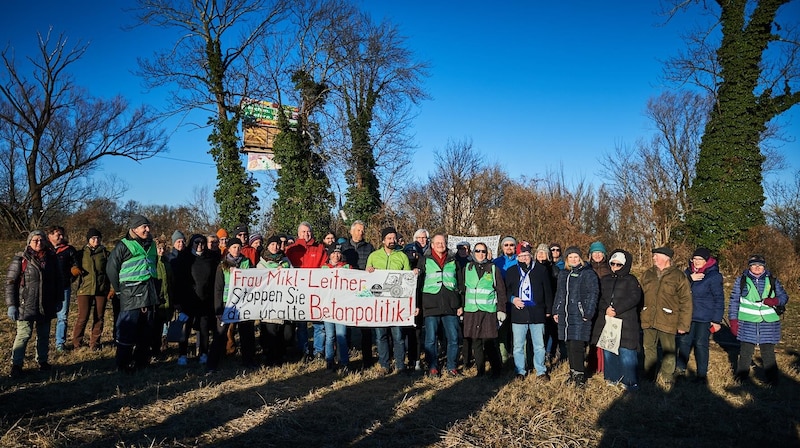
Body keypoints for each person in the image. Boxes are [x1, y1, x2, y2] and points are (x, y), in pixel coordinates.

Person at [106, 214, 160, 372]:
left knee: (146, 331)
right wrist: (118, 290)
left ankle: (141, 362)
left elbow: (153, 264)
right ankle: (123, 364)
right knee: (128, 330)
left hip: (149, 293)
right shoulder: (123, 245)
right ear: (134, 229)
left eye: (148, 226)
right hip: (131, 294)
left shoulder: (152, 245)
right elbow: (111, 268)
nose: (148, 229)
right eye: (144, 226)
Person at [729, 254, 789, 386]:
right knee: (745, 352)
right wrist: (733, 320)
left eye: (760, 265)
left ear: (764, 267)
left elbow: (784, 297)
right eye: (754, 265)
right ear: (749, 266)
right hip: (747, 322)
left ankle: (772, 381)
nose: (757, 267)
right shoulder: (741, 280)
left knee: (768, 353)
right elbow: (734, 301)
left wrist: (776, 300)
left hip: (768, 323)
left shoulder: (773, 280)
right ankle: (741, 379)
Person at [6, 231, 60, 377]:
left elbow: (58, 281)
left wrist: (59, 300)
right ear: (29, 242)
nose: (38, 243)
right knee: (23, 334)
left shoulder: (51, 259)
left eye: (41, 240)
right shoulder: (21, 259)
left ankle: (42, 361)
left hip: (46, 304)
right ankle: (16, 364)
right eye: (35, 240)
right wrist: (11, 305)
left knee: (44, 335)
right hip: (25, 304)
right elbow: (10, 283)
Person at [639, 246, 692, 386]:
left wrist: (683, 324)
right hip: (648, 318)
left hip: (668, 319)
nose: (653, 258)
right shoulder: (647, 274)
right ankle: (649, 375)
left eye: (656, 255)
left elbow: (686, 301)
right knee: (648, 347)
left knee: (669, 349)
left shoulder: (679, 276)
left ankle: (667, 376)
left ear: (666, 258)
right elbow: (639, 295)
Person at [592, 249, 642, 391]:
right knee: (609, 350)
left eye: (618, 264)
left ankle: (630, 381)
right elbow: (599, 298)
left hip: (626, 321)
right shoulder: (605, 280)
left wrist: (617, 309)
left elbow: (634, 298)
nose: (614, 267)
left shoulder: (631, 280)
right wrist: (606, 309)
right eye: (612, 263)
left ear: (625, 265)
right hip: (608, 321)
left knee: (627, 352)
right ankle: (612, 378)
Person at [366, 227, 412, 374]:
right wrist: (369, 271)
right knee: (381, 335)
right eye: (389, 238)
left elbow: (408, 280)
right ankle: (384, 365)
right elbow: (367, 278)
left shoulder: (402, 256)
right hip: (379, 304)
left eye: (394, 238)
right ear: (383, 240)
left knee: (398, 336)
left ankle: (400, 365)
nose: (392, 241)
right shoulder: (373, 256)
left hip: (396, 304)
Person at [457, 242, 506, 377]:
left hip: (488, 310)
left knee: (489, 342)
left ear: (487, 253)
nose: (480, 254)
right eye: (477, 251)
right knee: (476, 342)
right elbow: (462, 290)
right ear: (473, 253)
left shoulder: (493, 268)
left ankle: (496, 370)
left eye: (483, 251)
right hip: (471, 310)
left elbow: (501, 291)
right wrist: (461, 307)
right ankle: (480, 371)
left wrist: (501, 309)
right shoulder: (467, 268)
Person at [675, 247, 724, 383]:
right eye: (694, 259)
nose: (696, 262)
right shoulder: (687, 273)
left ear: (706, 261)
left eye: (700, 259)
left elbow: (719, 298)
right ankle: (680, 369)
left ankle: (701, 375)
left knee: (701, 344)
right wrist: (689, 279)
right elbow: (678, 289)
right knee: (684, 342)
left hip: (704, 316)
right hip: (687, 315)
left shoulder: (713, 276)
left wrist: (716, 320)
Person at [505, 245, 554, 380]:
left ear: (531, 256)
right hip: (518, 313)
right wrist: (513, 299)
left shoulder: (541, 270)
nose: (524, 258)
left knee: (539, 345)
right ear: (517, 257)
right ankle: (520, 371)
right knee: (518, 346)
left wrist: (549, 309)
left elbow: (547, 291)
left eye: (526, 255)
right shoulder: (511, 271)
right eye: (521, 256)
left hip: (537, 313)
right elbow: (506, 291)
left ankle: (541, 371)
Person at [552, 246, 599, 386]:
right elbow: (559, 294)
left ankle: (579, 376)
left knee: (578, 345)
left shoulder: (588, 273)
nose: (573, 259)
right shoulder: (563, 274)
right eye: (570, 257)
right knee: (569, 345)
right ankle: (573, 372)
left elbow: (593, 294)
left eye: (576, 257)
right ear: (566, 259)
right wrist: (556, 310)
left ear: (580, 258)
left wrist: (587, 312)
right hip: (565, 315)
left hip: (580, 315)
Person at [418, 234, 462, 376]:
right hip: (431, 304)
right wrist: (418, 305)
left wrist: (460, 304)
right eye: (437, 243)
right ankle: (432, 367)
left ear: (446, 244)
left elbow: (460, 284)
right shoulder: (424, 260)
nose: (440, 245)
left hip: (451, 305)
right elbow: (418, 284)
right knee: (431, 339)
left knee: (454, 338)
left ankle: (451, 367)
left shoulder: (454, 260)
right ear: (432, 245)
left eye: (442, 242)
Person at [286, 221, 328, 361]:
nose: (306, 234)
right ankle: (304, 351)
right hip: (298, 293)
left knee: (318, 324)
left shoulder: (319, 248)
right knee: (301, 325)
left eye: (308, 231)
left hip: (316, 292)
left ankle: (318, 351)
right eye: (303, 232)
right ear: (298, 234)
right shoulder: (291, 249)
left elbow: (325, 268)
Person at [207, 237, 251, 372]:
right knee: (220, 334)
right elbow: (218, 289)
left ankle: (249, 361)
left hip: (243, 304)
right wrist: (218, 310)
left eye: (238, 247)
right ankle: (212, 364)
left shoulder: (247, 262)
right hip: (227, 304)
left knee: (246, 333)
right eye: (233, 247)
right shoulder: (222, 266)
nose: (236, 250)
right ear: (228, 249)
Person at [174, 234, 217, 366]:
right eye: (196, 242)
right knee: (185, 328)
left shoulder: (210, 258)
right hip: (188, 299)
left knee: (204, 328)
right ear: (192, 243)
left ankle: (204, 353)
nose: (200, 245)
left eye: (202, 242)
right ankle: (182, 354)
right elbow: (178, 281)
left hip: (205, 299)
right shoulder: (184, 258)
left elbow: (214, 279)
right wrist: (178, 301)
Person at [340, 220, 376, 367]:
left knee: (365, 325)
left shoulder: (369, 247)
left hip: (364, 290)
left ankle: (367, 358)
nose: (360, 233)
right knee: (345, 324)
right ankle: (346, 356)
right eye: (358, 230)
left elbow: (373, 265)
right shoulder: (343, 247)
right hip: (347, 290)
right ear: (351, 231)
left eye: (362, 230)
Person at [72, 228, 112, 351]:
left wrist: (112, 289)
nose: (96, 240)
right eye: (93, 238)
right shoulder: (80, 253)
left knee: (99, 317)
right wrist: (73, 269)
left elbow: (112, 272)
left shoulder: (106, 254)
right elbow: (72, 264)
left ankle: (95, 343)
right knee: (83, 317)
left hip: (101, 289)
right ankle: (77, 343)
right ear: (88, 240)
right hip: (85, 289)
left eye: (98, 238)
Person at [256, 235, 292, 366]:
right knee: (270, 331)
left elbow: (294, 277)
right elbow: (260, 282)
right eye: (272, 244)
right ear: (267, 246)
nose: (275, 247)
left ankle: (280, 356)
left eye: (277, 244)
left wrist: (285, 272)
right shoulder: (261, 263)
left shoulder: (286, 261)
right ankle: (270, 358)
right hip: (268, 303)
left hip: (283, 301)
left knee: (284, 332)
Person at [46, 225, 79, 352]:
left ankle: (60, 343)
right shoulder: (44, 249)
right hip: (47, 288)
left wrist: (71, 277)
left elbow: (76, 265)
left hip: (63, 287)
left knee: (63, 317)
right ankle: (43, 342)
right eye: (57, 234)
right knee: (46, 316)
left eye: (61, 234)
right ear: (50, 235)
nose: (61, 237)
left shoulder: (69, 250)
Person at [321, 244, 351, 373]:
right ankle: (329, 361)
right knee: (330, 336)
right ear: (329, 254)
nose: (336, 255)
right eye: (334, 252)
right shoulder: (323, 268)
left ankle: (344, 362)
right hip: (327, 307)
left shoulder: (347, 268)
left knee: (342, 335)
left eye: (338, 253)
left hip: (341, 307)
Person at [493, 236, 519, 364]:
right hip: (502, 303)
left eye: (511, 245)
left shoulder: (520, 261)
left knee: (517, 333)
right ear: (502, 247)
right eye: (506, 245)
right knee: (501, 333)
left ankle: (519, 358)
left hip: (517, 302)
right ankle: (503, 358)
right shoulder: (496, 262)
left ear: (515, 247)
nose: (509, 247)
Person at [587, 241, 610, 375]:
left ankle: (604, 364)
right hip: (590, 306)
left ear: (604, 255)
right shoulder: (586, 268)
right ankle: (592, 363)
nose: (597, 255)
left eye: (599, 253)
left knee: (604, 336)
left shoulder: (609, 269)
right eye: (594, 253)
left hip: (604, 306)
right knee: (591, 336)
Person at [151, 238, 174, 359]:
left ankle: (164, 345)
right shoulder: (153, 263)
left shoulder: (167, 263)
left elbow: (171, 281)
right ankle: (154, 349)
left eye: (163, 249)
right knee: (156, 326)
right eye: (159, 249)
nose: (161, 251)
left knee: (166, 323)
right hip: (157, 299)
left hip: (167, 298)